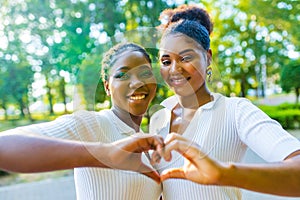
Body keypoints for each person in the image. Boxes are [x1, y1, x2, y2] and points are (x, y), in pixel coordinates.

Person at [149, 4, 300, 199]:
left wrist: (223, 173)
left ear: (208, 57)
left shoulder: (235, 110)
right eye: (166, 61)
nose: (174, 69)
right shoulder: (159, 117)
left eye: (186, 57)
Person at [0, 42, 163, 200]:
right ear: (107, 87)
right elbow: (4, 145)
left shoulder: (149, 143)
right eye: (122, 75)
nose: (137, 82)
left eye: (145, 73)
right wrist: (106, 154)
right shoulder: (91, 124)